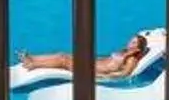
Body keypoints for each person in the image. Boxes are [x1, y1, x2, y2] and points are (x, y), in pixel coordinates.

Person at [18, 31, 152, 78]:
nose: (130, 43)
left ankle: (33, 64)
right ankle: (33, 58)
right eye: (131, 40)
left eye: (134, 42)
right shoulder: (124, 52)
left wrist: (102, 77)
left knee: (63, 59)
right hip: (91, 64)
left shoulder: (132, 59)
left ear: (138, 47)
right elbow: (107, 60)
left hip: (90, 71)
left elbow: (125, 74)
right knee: (62, 55)